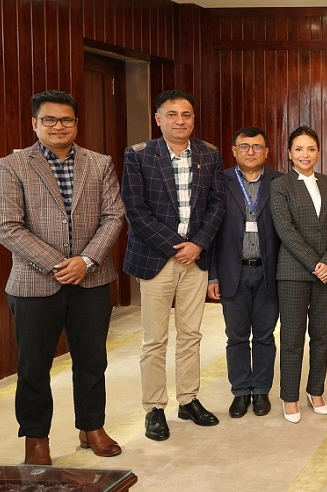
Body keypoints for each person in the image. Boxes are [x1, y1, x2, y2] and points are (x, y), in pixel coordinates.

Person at [0, 90, 125, 463]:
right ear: (34, 123)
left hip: (92, 280)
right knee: (34, 367)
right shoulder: (11, 165)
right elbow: (7, 226)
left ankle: (91, 427)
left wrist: (86, 260)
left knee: (92, 361)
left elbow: (114, 216)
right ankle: (36, 438)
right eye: (49, 119)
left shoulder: (99, 163)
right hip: (35, 283)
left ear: (76, 123)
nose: (58, 126)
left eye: (66, 119)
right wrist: (59, 264)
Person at [122, 89, 225, 441]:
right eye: (172, 114)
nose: (180, 121)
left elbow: (217, 204)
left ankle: (188, 400)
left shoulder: (209, 153)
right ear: (158, 119)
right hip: (156, 258)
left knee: (191, 335)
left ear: (193, 119)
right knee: (154, 339)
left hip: (196, 258)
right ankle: (154, 408)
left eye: (186, 114)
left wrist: (198, 244)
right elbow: (135, 209)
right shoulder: (138, 155)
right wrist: (174, 247)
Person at [207, 127, 282, 419]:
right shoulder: (219, 180)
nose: (251, 152)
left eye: (257, 146)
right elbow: (211, 233)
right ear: (234, 151)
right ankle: (240, 391)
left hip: (268, 272)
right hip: (232, 271)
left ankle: (261, 390)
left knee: (264, 335)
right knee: (236, 337)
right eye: (244, 146)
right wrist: (212, 276)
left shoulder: (279, 182)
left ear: (267, 152)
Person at [270, 126, 327, 424]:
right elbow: (285, 230)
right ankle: (290, 396)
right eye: (299, 149)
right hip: (293, 272)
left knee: (322, 335)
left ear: (318, 152)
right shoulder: (281, 185)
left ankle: (316, 391)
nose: (305, 154)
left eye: (311, 149)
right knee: (292, 337)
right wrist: (316, 264)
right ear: (289, 153)